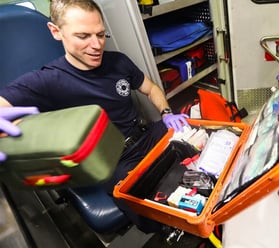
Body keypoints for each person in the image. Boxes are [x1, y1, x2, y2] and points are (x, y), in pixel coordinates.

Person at [0, 0, 189, 232]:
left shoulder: (118, 62)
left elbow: (150, 88)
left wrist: (167, 114)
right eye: (83, 36)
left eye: (100, 35)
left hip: (144, 135)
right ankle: (172, 230)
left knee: (198, 143)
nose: (96, 45)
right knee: (156, 206)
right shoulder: (47, 80)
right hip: (112, 160)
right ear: (56, 32)